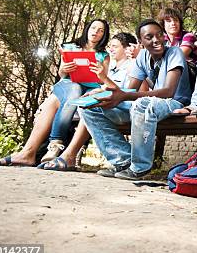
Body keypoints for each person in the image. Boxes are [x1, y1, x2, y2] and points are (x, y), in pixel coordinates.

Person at [0, 19, 110, 167]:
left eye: (100, 30)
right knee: (74, 89)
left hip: (89, 89)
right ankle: (54, 145)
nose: (96, 32)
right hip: (68, 84)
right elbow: (61, 73)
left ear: (104, 35)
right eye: (93, 27)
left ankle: (29, 153)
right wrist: (65, 69)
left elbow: (103, 81)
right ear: (87, 28)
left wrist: (100, 73)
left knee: (67, 97)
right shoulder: (71, 47)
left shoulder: (104, 55)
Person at [80, 19, 191, 180]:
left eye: (160, 35)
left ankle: (140, 167)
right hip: (150, 103)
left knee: (142, 104)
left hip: (173, 102)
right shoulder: (143, 57)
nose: (156, 40)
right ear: (140, 42)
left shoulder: (174, 52)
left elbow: (168, 91)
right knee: (91, 107)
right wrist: (103, 90)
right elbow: (129, 90)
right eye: (149, 37)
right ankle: (123, 160)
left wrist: (124, 96)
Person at [39, 32, 138, 171]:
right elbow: (108, 86)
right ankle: (40, 150)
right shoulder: (113, 69)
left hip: (124, 108)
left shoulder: (134, 65)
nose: (110, 49)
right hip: (109, 104)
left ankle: (69, 155)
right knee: (70, 103)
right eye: (110, 46)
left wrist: (103, 85)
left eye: (115, 46)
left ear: (127, 48)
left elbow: (135, 93)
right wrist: (99, 89)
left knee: (89, 108)